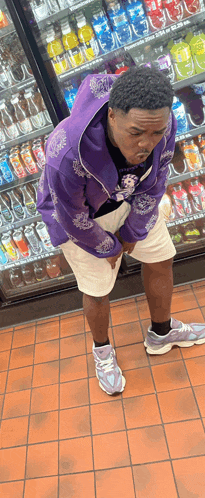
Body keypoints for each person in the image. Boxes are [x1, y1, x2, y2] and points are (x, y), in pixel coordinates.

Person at [37, 67, 205, 396]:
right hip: (83, 218)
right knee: (97, 289)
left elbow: (156, 180)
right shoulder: (66, 151)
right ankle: (102, 351)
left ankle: (161, 332)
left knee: (161, 259)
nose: (146, 144)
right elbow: (70, 215)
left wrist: (133, 230)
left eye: (156, 133)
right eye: (136, 132)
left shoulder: (162, 122)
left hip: (132, 198)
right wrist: (108, 247)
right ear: (112, 115)